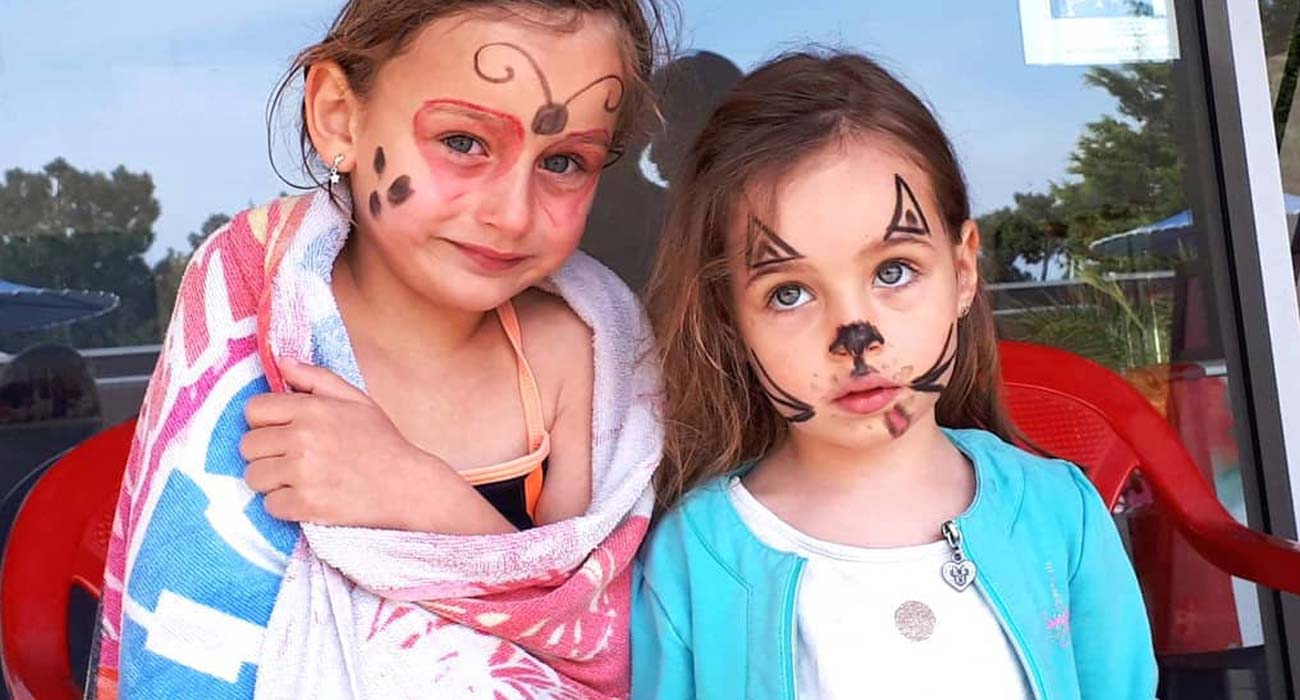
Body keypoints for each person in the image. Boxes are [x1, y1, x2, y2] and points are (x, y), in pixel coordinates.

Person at [96, 1, 670, 697]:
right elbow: (190, 603)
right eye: (463, 142)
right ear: (340, 116)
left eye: (563, 161)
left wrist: (424, 498)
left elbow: (577, 649)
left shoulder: (576, 355)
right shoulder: (247, 301)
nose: (512, 213)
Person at [633, 50, 1157, 699]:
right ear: (731, 320)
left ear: (963, 271)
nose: (855, 335)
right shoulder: (693, 561)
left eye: (893, 271)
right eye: (790, 292)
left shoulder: (1063, 515)